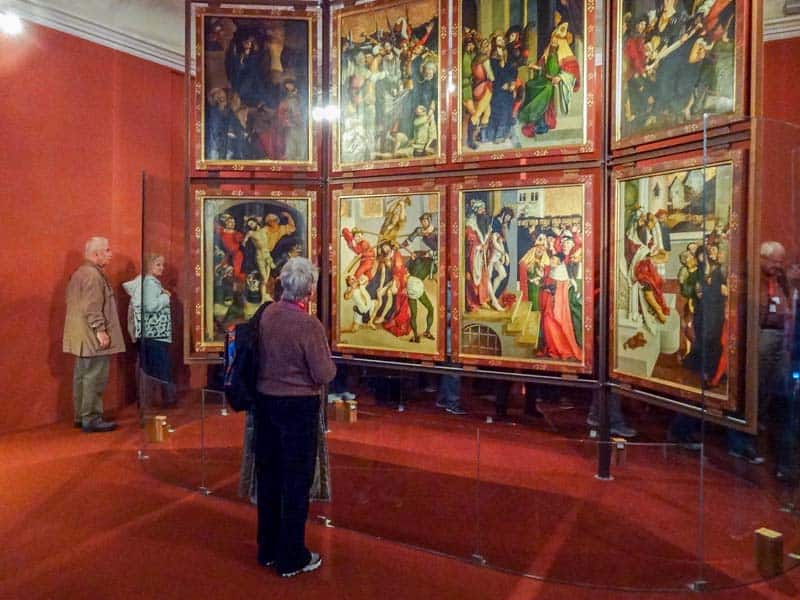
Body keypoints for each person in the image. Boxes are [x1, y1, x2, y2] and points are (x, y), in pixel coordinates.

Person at [254, 257, 336, 577]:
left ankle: (268, 549)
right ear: (310, 290)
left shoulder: (267, 313)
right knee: (296, 481)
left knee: (270, 477)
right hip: (298, 407)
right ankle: (292, 556)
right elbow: (324, 372)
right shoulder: (308, 325)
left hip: (265, 403)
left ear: (282, 282)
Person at [63, 237, 125, 433]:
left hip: (81, 337)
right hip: (92, 337)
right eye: (106, 250)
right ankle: (91, 418)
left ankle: (82, 416)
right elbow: (92, 306)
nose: (110, 253)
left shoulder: (80, 273)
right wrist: (100, 330)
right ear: (96, 254)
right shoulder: (93, 275)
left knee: (82, 376)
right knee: (94, 377)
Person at [123, 254, 175, 407]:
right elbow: (150, 306)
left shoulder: (147, 283)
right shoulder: (149, 284)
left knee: (151, 367)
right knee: (160, 367)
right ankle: (165, 399)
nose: (162, 268)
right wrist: (166, 297)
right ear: (149, 265)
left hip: (150, 333)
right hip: (155, 333)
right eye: (158, 265)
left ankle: (150, 400)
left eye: (162, 265)